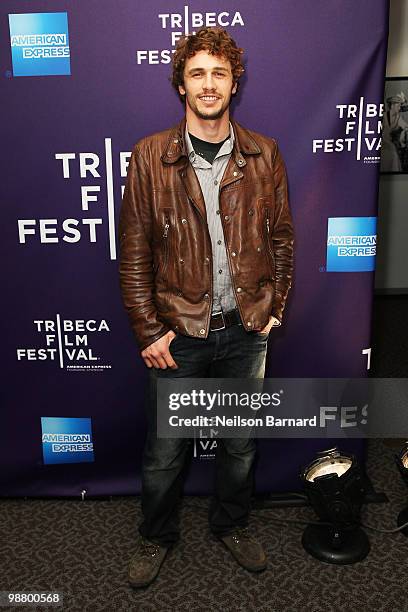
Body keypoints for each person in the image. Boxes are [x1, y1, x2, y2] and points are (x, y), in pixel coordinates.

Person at [119, 26, 294, 588]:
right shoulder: (150, 156)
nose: (209, 83)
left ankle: (233, 524)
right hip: (179, 333)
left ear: (234, 82)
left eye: (219, 72)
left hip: (246, 328)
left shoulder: (263, 153)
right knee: (165, 452)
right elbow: (135, 253)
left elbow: (284, 239)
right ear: (181, 86)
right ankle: (156, 535)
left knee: (240, 444)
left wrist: (275, 307)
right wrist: (149, 330)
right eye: (197, 73)